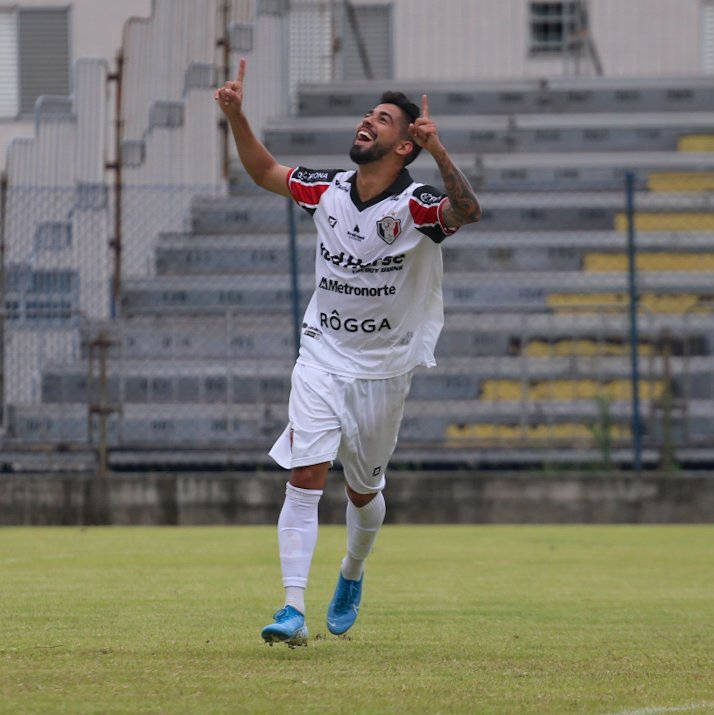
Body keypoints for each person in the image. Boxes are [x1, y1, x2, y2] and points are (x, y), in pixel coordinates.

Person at [215, 59, 482, 648]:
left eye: (383, 120)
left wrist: (440, 153)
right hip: (321, 353)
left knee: (363, 490)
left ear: (405, 145)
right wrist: (236, 116)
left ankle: (352, 574)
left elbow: (466, 212)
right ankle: (291, 608)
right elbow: (264, 171)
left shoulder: (413, 206)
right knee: (305, 473)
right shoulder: (326, 190)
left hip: (384, 370)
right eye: (369, 115)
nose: (368, 122)